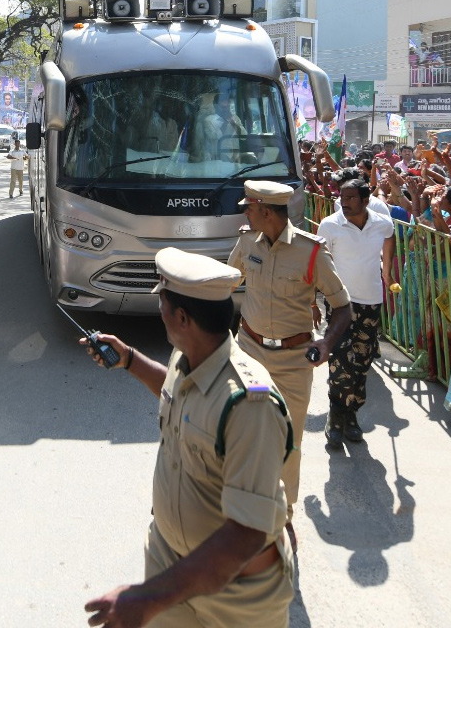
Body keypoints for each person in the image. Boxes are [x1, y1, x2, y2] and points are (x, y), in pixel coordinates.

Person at [82, 248, 294, 627]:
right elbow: (177, 394)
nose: (159, 309)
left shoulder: (250, 403)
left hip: (232, 598)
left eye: (161, 301)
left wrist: (145, 598)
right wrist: (129, 358)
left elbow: (244, 536)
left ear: (182, 317)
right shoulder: (190, 355)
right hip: (172, 566)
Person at [227, 180, 352, 542]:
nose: (245, 213)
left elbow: (343, 307)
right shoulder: (247, 242)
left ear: (266, 211)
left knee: (287, 439)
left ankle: (283, 513)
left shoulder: (311, 252)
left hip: (293, 362)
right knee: (245, 431)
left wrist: (326, 344)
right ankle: (244, 508)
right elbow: (226, 284)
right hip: (250, 351)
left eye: (249, 207)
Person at [316, 178, 397, 448]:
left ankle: (351, 415)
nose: (344, 202)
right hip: (340, 303)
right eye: (342, 196)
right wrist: (312, 299)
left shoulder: (382, 222)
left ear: (365, 200)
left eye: (351, 198)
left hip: (371, 301)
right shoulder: (329, 225)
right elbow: (317, 260)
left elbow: (390, 237)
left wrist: (386, 271)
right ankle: (335, 415)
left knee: (362, 360)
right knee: (340, 359)